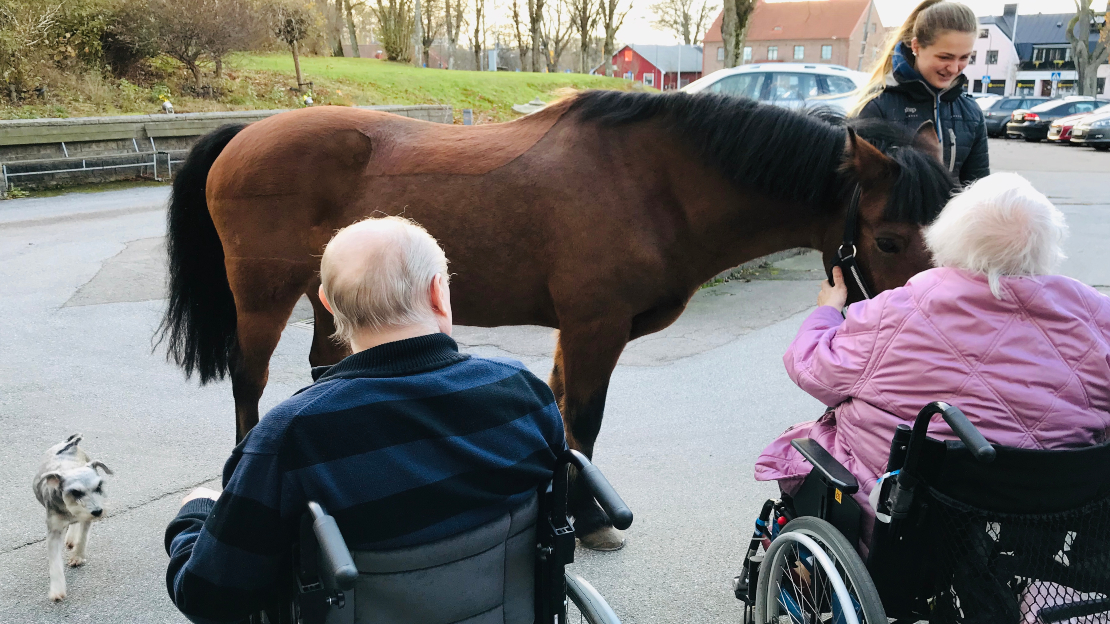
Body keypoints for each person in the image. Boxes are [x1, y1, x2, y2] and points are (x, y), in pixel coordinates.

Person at [164, 216, 567, 623]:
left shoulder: (292, 435)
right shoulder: (523, 391)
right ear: (438, 293)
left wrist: (193, 514)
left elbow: (207, 598)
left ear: (327, 304)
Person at [755, 172, 1110, 553]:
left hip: (911, 529)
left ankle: (805, 571)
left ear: (946, 236)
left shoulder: (900, 308)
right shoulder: (1094, 314)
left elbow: (813, 369)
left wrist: (827, 312)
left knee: (811, 442)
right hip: (1044, 526)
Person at [852, 0, 989, 185]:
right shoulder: (877, 106)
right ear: (916, 46)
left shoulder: (971, 112)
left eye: (964, 57)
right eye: (945, 57)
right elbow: (857, 187)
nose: (955, 68)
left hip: (955, 214)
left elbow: (979, 189)